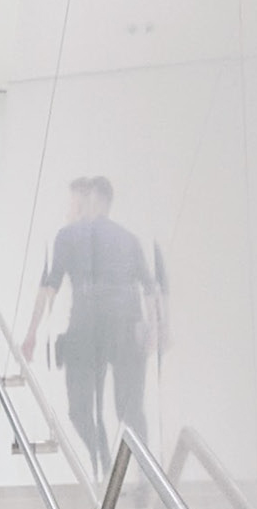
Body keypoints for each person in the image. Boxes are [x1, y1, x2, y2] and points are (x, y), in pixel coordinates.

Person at [23, 174, 162, 482]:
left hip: (86, 330)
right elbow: (150, 288)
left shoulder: (68, 236)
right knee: (130, 409)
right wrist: (153, 329)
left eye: (76, 202)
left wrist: (32, 333)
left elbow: (49, 287)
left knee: (80, 409)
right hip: (126, 328)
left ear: (92, 201)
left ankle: (104, 461)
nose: (73, 209)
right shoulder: (128, 239)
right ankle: (144, 477)